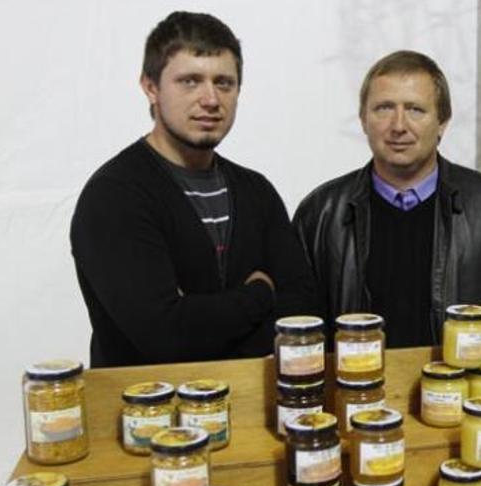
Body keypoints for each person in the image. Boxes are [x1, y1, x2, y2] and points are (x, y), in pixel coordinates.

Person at [71, 12, 306, 367]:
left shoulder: (257, 192)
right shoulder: (114, 197)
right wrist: (259, 295)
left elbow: (302, 316)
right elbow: (165, 337)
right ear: (150, 86)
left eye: (224, 83)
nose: (210, 99)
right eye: (190, 81)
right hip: (147, 416)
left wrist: (199, 318)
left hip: (254, 411)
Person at [291, 50, 481, 348]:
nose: (398, 125)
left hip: (467, 392)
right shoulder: (321, 213)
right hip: (356, 394)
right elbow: (297, 338)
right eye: (384, 108)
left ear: (442, 122)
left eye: (415, 109)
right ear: (363, 120)